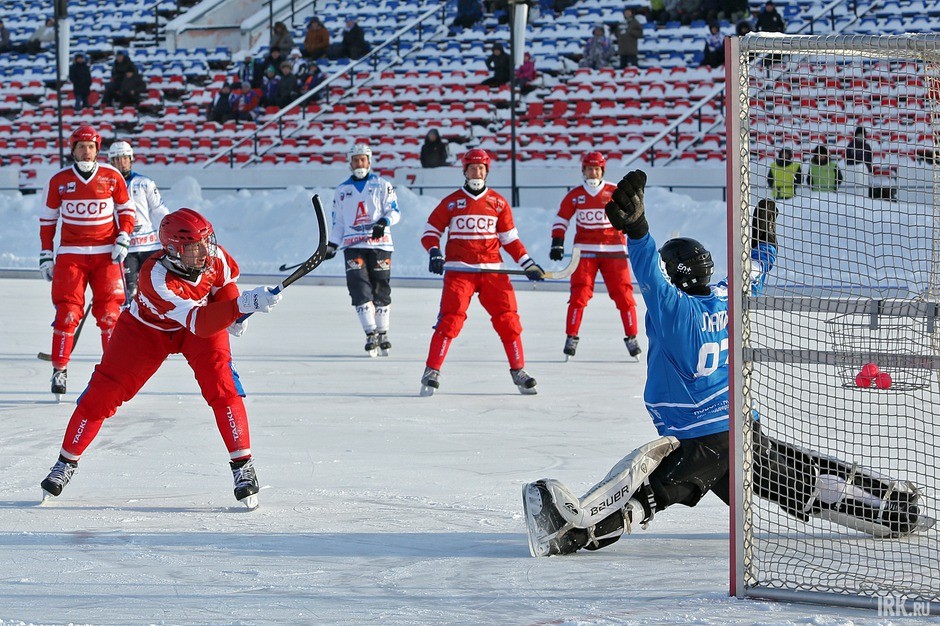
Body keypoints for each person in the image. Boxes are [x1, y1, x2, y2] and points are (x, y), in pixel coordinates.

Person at [523, 171, 927, 557]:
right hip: (738, 424)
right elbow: (756, 270)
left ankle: (578, 533)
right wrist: (764, 239)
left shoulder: (675, 311)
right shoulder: (726, 295)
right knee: (793, 480)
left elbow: (649, 275)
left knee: (653, 492)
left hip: (699, 435)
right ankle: (892, 509)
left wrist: (638, 229)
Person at [39, 209, 282, 510]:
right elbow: (199, 321)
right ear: (172, 250)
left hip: (199, 325)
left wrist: (233, 306)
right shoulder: (154, 277)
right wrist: (242, 305)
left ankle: (243, 466)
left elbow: (223, 283)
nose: (204, 252)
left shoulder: (214, 256)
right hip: (147, 331)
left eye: (206, 242)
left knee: (223, 385)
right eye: (194, 247)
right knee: (103, 393)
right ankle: (66, 462)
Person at [419, 149, 545, 396]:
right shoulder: (452, 201)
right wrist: (434, 252)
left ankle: (518, 371)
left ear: (487, 171)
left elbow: (510, 240)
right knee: (450, 320)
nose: (477, 172)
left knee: (509, 320)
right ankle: (432, 370)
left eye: (481, 168)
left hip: (493, 271)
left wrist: (527, 263)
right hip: (460, 271)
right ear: (464, 171)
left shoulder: (498, 202)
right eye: (472, 168)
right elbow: (430, 231)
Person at [38, 125, 135, 398]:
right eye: (81, 146)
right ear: (73, 149)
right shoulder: (59, 180)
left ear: (97, 149)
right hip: (71, 255)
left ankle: (114, 373)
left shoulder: (112, 176)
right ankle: (60, 369)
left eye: (91, 146)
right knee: (67, 313)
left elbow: (127, 210)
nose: (86, 150)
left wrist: (123, 237)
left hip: (106, 254)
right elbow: (48, 221)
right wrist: (46, 254)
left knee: (109, 315)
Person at [550, 151, 641, 360]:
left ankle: (632, 337)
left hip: (614, 252)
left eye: (596, 169)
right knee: (578, 296)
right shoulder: (576, 195)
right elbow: (561, 218)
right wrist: (557, 241)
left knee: (625, 296)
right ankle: (571, 337)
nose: (593, 173)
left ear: (602, 170)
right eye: (589, 169)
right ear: (584, 171)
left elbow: (632, 215)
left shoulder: (613, 191)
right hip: (585, 252)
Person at [324, 144, 401, 356]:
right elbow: (338, 222)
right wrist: (332, 244)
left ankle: (383, 331)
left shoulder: (382, 185)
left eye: (363, 159)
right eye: (356, 160)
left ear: (369, 161)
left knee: (381, 286)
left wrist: (383, 222)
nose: (360, 163)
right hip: (352, 246)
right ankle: (370, 332)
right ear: (350, 163)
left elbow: (394, 211)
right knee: (358, 286)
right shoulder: (341, 191)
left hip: (380, 245)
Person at [107, 140, 170, 300]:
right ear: (111, 162)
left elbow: (159, 209)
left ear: (131, 159)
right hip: (126, 248)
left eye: (125, 158)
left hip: (149, 244)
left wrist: (170, 231)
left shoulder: (145, 183)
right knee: (130, 292)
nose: (121, 162)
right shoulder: (106, 186)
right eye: (117, 159)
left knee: (155, 289)